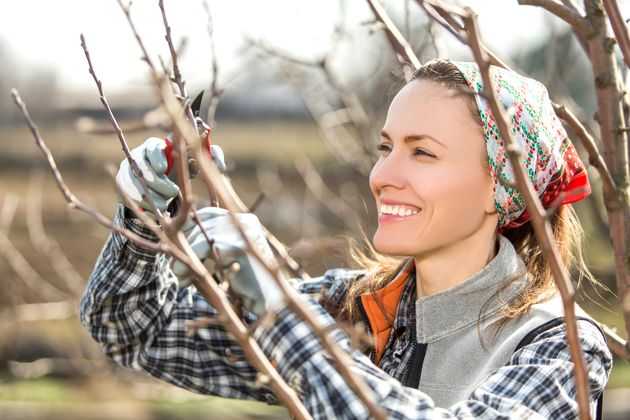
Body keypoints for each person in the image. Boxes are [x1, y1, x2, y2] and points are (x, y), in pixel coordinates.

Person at [80, 59, 613, 419]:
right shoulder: (357, 309)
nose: (382, 176)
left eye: (421, 152)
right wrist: (145, 219)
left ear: (501, 187)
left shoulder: (558, 347)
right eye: (386, 148)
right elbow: (134, 331)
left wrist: (282, 312)